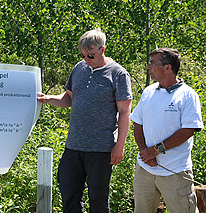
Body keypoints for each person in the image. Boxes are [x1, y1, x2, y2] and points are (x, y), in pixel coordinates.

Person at [37, 29, 133, 213]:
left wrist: (119, 146)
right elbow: (69, 98)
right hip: (73, 146)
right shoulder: (79, 68)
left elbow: (124, 112)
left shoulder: (118, 74)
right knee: (69, 193)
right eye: (82, 55)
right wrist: (49, 98)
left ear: (102, 49)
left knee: (98, 200)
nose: (86, 59)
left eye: (90, 55)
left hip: (101, 148)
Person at [130, 48, 203, 213]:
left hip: (175, 170)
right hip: (145, 169)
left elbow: (189, 130)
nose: (148, 67)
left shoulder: (188, 95)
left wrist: (155, 150)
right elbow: (137, 123)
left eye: (153, 63)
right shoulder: (149, 92)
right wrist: (144, 152)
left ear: (168, 67)